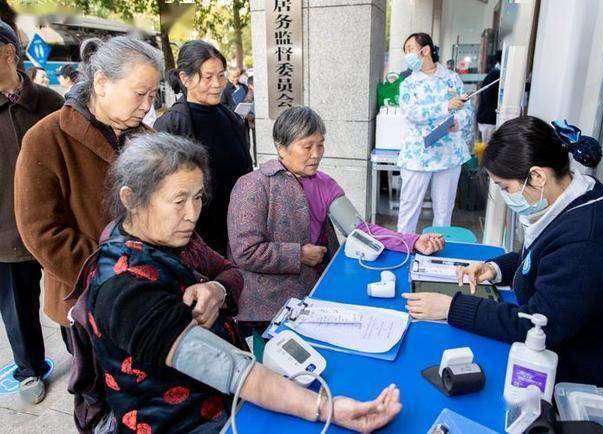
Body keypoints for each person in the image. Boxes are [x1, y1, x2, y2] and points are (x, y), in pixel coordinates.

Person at [77, 132, 401, 433]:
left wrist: (217, 290)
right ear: (132, 199)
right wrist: (328, 408)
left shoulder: (173, 237)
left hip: (221, 401)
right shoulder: (125, 287)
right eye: (178, 200)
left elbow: (231, 273)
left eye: (198, 197)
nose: (192, 213)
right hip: (181, 422)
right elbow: (230, 369)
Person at [403, 116, 603, 390]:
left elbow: (540, 325)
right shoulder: (577, 195)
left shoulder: (586, 242)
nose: (505, 195)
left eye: (505, 187)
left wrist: (451, 307)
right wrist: (494, 269)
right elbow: (544, 257)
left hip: (591, 377)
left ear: (537, 176)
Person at [228, 106, 445, 334]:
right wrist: (299, 254)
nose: (316, 153)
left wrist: (413, 241)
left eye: (320, 144)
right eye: (307, 146)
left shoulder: (324, 184)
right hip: (269, 301)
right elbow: (246, 252)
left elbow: (361, 230)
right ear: (281, 148)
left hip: (316, 289)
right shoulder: (253, 185)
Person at [14, 36, 162, 349]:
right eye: (139, 93)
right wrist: (112, 271)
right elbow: (41, 231)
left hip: (149, 289)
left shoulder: (149, 140)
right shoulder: (46, 138)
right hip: (84, 298)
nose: (147, 105)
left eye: (152, 94)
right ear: (102, 81)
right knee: (96, 389)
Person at [0, 20, 64, 404]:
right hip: (4, 229)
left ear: (7, 54)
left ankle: (84, 353)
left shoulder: (50, 102)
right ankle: (29, 368)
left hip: (57, 222)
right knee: (16, 306)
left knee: (71, 291)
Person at [155, 40, 253, 256]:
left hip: (237, 235)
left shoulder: (231, 119)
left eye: (221, 75)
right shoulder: (170, 125)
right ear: (185, 78)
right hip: (194, 242)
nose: (218, 84)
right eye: (208, 77)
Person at [396, 33, 473, 234]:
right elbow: (411, 113)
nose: (408, 55)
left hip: (449, 154)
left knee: (444, 211)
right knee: (408, 209)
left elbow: (467, 110)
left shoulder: (452, 78)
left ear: (426, 50)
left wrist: (458, 121)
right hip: (418, 155)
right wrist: (445, 107)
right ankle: (403, 248)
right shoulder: (408, 83)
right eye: (406, 51)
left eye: (410, 49)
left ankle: (438, 253)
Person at [476, 51, 501, 144]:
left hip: (488, 118)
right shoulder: (495, 75)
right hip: (488, 119)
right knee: (489, 148)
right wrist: (496, 109)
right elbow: (487, 95)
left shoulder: (495, 74)